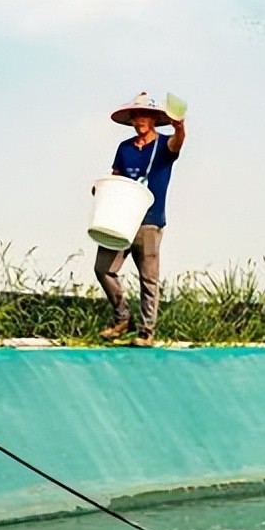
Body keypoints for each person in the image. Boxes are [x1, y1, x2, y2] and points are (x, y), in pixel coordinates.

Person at [95, 93, 187, 347]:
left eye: (144, 115)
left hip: (149, 221)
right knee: (103, 268)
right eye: (136, 116)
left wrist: (180, 126)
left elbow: (178, 143)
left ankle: (146, 330)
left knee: (148, 277)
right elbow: (116, 176)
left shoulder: (164, 145)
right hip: (121, 221)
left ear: (154, 119)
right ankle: (122, 316)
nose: (140, 121)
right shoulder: (125, 148)